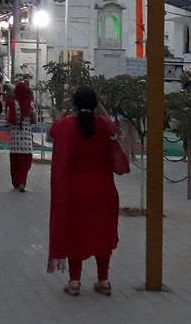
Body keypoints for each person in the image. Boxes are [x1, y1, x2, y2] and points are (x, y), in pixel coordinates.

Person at [47, 86, 119, 296]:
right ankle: (103, 280)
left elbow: (53, 130)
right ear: (95, 104)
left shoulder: (67, 126)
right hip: (104, 190)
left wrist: (69, 110)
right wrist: (99, 108)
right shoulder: (105, 126)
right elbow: (115, 129)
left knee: (76, 234)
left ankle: (74, 282)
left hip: (76, 190)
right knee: (102, 234)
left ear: (75, 104)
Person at [6, 81, 36, 191]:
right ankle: (23, 182)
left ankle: (16, 182)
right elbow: (34, 120)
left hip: (15, 140)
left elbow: (8, 118)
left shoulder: (12, 104)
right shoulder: (30, 104)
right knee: (25, 162)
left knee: (15, 163)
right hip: (26, 139)